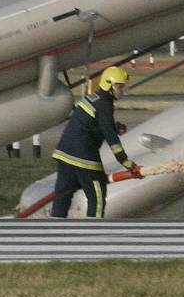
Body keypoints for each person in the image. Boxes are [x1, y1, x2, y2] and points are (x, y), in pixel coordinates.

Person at [51, 66, 142, 218]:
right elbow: (111, 139)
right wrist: (127, 163)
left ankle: (52, 232)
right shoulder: (105, 105)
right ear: (109, 85)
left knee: (62, 195)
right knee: (97, 195)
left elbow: (91, 123)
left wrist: (114, 126)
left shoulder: (93, 98)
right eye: (119, 86)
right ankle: (94, 234)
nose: (122, 91)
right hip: (84, 157)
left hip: (65, 153)